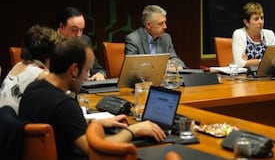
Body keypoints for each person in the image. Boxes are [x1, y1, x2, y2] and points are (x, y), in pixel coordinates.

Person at [19, 37, 166, 160]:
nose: (87, 77)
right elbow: (98, 152)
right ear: (74, 70)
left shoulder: (34, 88)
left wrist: (96, 122)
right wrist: (134, 130)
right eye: (86, 70)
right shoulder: (63, 105)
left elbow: (63, 124)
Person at [0, 25, 61, 113]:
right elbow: (65, 100)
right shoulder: (41, 75)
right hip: (20, 125)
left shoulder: (18, 65)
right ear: (50, 54)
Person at [57, 6, 106, 80]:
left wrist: (100, 74)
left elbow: (97, 68)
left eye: (81, 30)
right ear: (61, 27)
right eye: (74, 30)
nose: (79, 35)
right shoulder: (50, 42)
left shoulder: (85, 40)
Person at [232, 2, 275, 68]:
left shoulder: (269, 34)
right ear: (246, 22)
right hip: (243, 76)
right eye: (256, 19)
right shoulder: (239, 34)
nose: (260, 22)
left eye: (262, 18)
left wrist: (249, 62)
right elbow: (239, 64)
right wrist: (264, 61)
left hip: (265, 75)